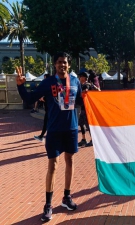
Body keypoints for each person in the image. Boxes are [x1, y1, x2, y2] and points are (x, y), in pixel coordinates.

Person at [16, 52, 82, 222]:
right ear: (55, 65)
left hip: (72, 129)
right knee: (53, 165)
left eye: (65, 62)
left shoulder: (75, 81)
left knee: (70, 161)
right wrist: (21, 86)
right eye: (60, 62)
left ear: (69, 64)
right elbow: (30, 98)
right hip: (54, 130)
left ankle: (67, 197)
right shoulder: (48, 83)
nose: (63, 65)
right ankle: (48, 205)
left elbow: (82, 101)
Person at [78, 72, 99, 147]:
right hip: (83, 108)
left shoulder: (86, 85)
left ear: (84, 77)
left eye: (80, 77)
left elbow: (85, 91)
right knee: (81, 123)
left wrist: (83, 92)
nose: (79, 78)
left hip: (87, 109)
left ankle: (93, 140)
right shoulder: (86, 85)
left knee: (88, 125)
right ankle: (83, 139)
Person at [34, 74, 51, 142]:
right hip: (48, 109)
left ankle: (42, 136)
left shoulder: (50, 86)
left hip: (50, 109)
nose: (44, 80)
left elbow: (51, 97)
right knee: (47, 124)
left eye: (45, 78)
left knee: (46, 124)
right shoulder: (47, 86)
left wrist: (43, 98)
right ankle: (42, 136)